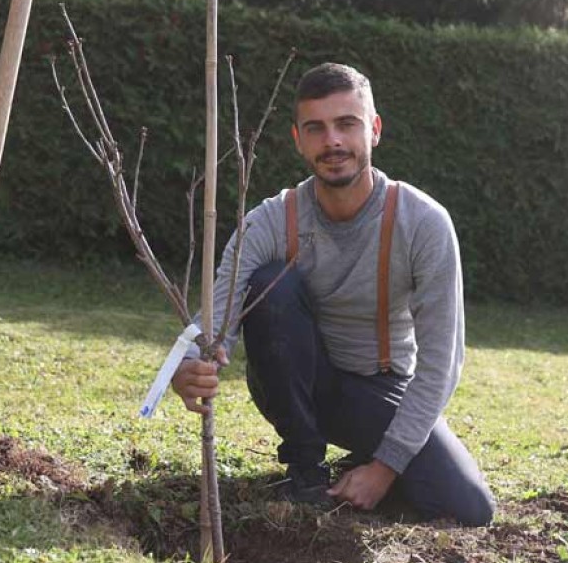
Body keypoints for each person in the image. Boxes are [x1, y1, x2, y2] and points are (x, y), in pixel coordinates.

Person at [170, 63, 495, 527]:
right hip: (292, 383)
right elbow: (215, 316)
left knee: (469, 507)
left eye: (347, 124)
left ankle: (364, 463)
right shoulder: (270, 220)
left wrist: (384, 470)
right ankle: (304, 469)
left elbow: (443, 363)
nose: (333, 142)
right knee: (270, 285)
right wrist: (188, 365)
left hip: (380, 390)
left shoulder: (422, 222)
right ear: (298, 139)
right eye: (316, 128)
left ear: (374, 130)